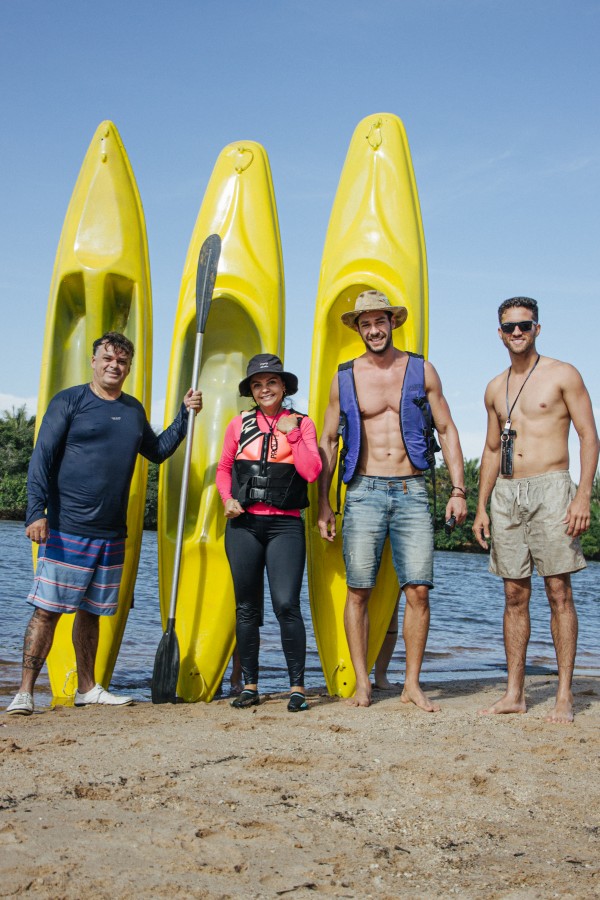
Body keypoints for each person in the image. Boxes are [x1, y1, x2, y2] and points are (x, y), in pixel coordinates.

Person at [6, 332, 203, 716]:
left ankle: (87, 688)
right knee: (47, 610)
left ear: (129, 367)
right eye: (108, 358)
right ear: (94, 361)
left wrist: (184, 415)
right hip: (66, 527)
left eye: (123, 361)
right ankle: (24, 692)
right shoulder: (70, 401)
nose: (115, 365)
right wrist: (35, 512)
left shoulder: (132, 410)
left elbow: (158, 452)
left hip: (111, 532)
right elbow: (42, 458)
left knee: (91, 612)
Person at [317, 291, 467, 709]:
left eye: (379, 321)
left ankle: (411, 684)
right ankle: (363, 684)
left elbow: (447, 429)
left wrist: (459, 489)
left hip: (411, 490)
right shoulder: (345, 375)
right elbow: (328, 441)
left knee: (418, 590)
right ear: (357, 329)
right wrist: (325, 504)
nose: (373, 330)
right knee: (358, 590)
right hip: (362, 491)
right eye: (365, 324)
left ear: (392, 323)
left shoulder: (420, 369)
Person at [473, 297, 599, 724]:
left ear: (538, 328)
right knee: (513, 594)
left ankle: (564, 694)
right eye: (509, 327)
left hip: (552, 488)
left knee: (558, 590)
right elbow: (491, 450)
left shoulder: (563, 374)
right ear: (500, 333)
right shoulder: (495, 386)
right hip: (506, 494)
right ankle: (515, 693)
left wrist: (583, 495)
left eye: (524, 325)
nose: (517, 333)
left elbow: (589, 436)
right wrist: (482, 507)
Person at [216, 354, 322, 712]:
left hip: (285, 526)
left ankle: (297, 687)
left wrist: (292, 431)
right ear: (251, 391)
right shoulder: (239, 424)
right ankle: (250, 685)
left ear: (284, 387)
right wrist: (227, 498)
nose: (265, 389)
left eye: (272, 383)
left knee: (287, 604)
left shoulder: (303, 424)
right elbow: (225, 468)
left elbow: (310, 471)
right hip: (244, 525)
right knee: (246, 608)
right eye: (258, 384)